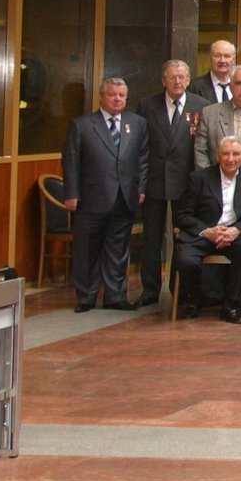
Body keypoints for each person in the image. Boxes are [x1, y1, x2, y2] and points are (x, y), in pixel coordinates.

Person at [61, 77, 149, 312]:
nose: (118, 99)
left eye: (122, 95)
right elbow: (71, 162)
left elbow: (143, 159)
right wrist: (71, 193)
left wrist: (141, 188)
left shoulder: (137, 123)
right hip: (90, 198)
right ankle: (87, 297)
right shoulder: (82, 124)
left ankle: (115, 297)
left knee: (118, 250)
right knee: (87, 249)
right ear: (101, 96)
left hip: (124, 196)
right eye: (113, 95)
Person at [132, 60, 207, 307]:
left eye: (182, 77)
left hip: (186, 182)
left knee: (183, 238)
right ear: (163, 80)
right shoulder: (146, 105)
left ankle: (179, 289)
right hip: (155, 181)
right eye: (172, 77)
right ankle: (150, 290)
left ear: (188, 80)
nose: (178, 82)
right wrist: (140, 183)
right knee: (152, 239)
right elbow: (140, 147)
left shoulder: (201, 106)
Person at [174, 134, 241, 322]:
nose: (231, 159)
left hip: (234, 234)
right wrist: (207, 231)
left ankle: (232, 305)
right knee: (186, 260)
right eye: (226, 154)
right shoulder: (199, 178)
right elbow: (183, 214)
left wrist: (236, 230)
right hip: (204, 233)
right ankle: (193, 302)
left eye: (236, 154)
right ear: (217, 155)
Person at [190, 39, 238, 104]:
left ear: (233, 60)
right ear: (210, 58)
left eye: (227, 56)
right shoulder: (194, 87)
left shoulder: (240, 85)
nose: (222, 61)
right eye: (217, 56)